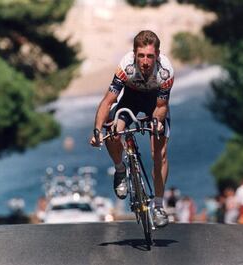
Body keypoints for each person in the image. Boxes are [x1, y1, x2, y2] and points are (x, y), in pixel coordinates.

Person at [90, 30, 174, 228]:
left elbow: (161, 107)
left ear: (158, 55)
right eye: (141, 55)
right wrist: (97, 131)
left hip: (155, 104)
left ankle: (159, 206)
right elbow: (108, 101)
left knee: (159, 153)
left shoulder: (166, 71)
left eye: (150, 56)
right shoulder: (125, 66)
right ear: (134, 54)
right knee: (111, 132)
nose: (145, 61)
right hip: (130, 100)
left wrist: (156, 122)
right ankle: (120, 170)